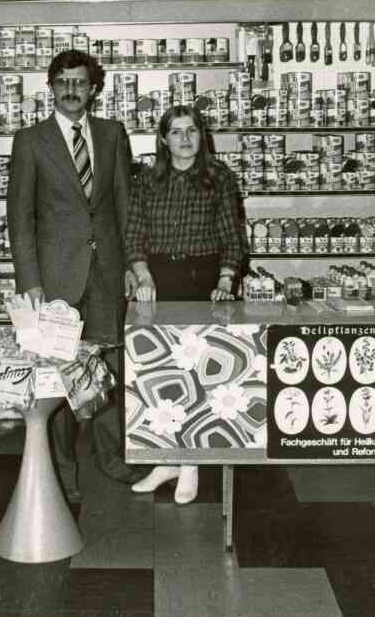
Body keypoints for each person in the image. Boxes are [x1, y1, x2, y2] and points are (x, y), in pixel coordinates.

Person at [6, 49, 142, 504]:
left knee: (109, 368)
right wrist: (32, 285)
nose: (71, 90)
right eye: (62, 82)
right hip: (54, 279)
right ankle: (63, 471)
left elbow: (124, 206)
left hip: (105, 275)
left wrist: (129, 266)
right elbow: (20, 220)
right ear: (50, 87)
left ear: (94, 89)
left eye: (79, 83)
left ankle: (113, 458)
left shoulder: (112, 134)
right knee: (57, 378)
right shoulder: (30, 141)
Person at [124, 104, 246, 504]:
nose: (184, 138)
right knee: (158, 370)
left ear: (202, 135)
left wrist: (226, 280)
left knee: (197, 372)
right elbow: (135, 235)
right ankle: (168, 459)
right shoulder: (146, 179)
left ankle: (189, 463)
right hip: (158, 280)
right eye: (175, 132)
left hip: (204, 280)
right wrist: (143, 276)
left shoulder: (219, 178)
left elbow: (232, 238)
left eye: (191, 130)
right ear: (163, 139)